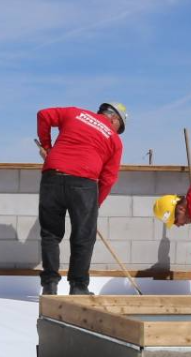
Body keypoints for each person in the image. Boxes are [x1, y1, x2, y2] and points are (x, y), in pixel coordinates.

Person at [35, 101, 126, 296]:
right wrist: (95, 205)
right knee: (83, 237)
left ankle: (49, 285)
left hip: (53, 175)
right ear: (114, 118)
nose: (117, 132)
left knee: (50, 233)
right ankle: (78, 286)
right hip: (84, 183)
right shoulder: (114, 140)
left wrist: (47, 147)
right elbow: (108, 179)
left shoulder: (74, 113)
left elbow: (43, 114)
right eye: (119, 128)